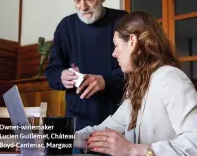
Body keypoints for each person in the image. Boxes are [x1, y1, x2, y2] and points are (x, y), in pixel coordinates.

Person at [74, 11, 197, 156]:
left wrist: (132, 150)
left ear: (132, 42)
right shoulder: (137, 87)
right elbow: (103, 132)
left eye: (116, 45)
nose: (114, 53)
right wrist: (60, 137)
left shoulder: (170, 78)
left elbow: (194, 143)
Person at [45, 0, 127, 131]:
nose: (83, 7)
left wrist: (105, 81)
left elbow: (138, 71)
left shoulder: (122, 21)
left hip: (118, 120)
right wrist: (61, 76)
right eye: (77, 0)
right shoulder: (65, 27)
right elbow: (52, 71)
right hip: (77, 122)